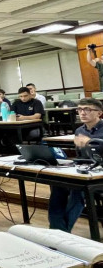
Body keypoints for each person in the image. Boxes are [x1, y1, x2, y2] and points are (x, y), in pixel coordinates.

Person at [49, 98, 103, 232]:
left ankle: (62, 231)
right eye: (80, 109)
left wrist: (90, 142)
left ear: (99, 113)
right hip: (85, 168)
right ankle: (56, 228)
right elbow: (81, 155)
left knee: (77, 189)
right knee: (57, 185)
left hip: (99, 173)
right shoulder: (79, 130)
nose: (82, 113)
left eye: (88, 110)